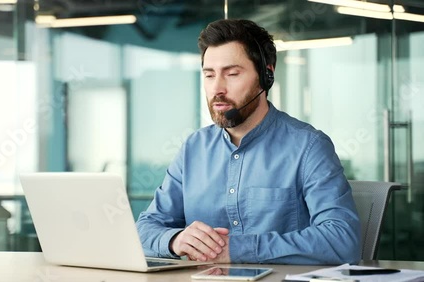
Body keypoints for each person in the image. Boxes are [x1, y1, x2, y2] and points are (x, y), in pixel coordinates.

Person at [136, 19, 360, 265]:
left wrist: (240, 249)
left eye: (232, 74)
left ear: (267, 75)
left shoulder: (308, 146)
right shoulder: (193, 148)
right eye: (209, 75)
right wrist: (174, 240)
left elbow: (341, 240)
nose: (217, 88)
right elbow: (146, 227)